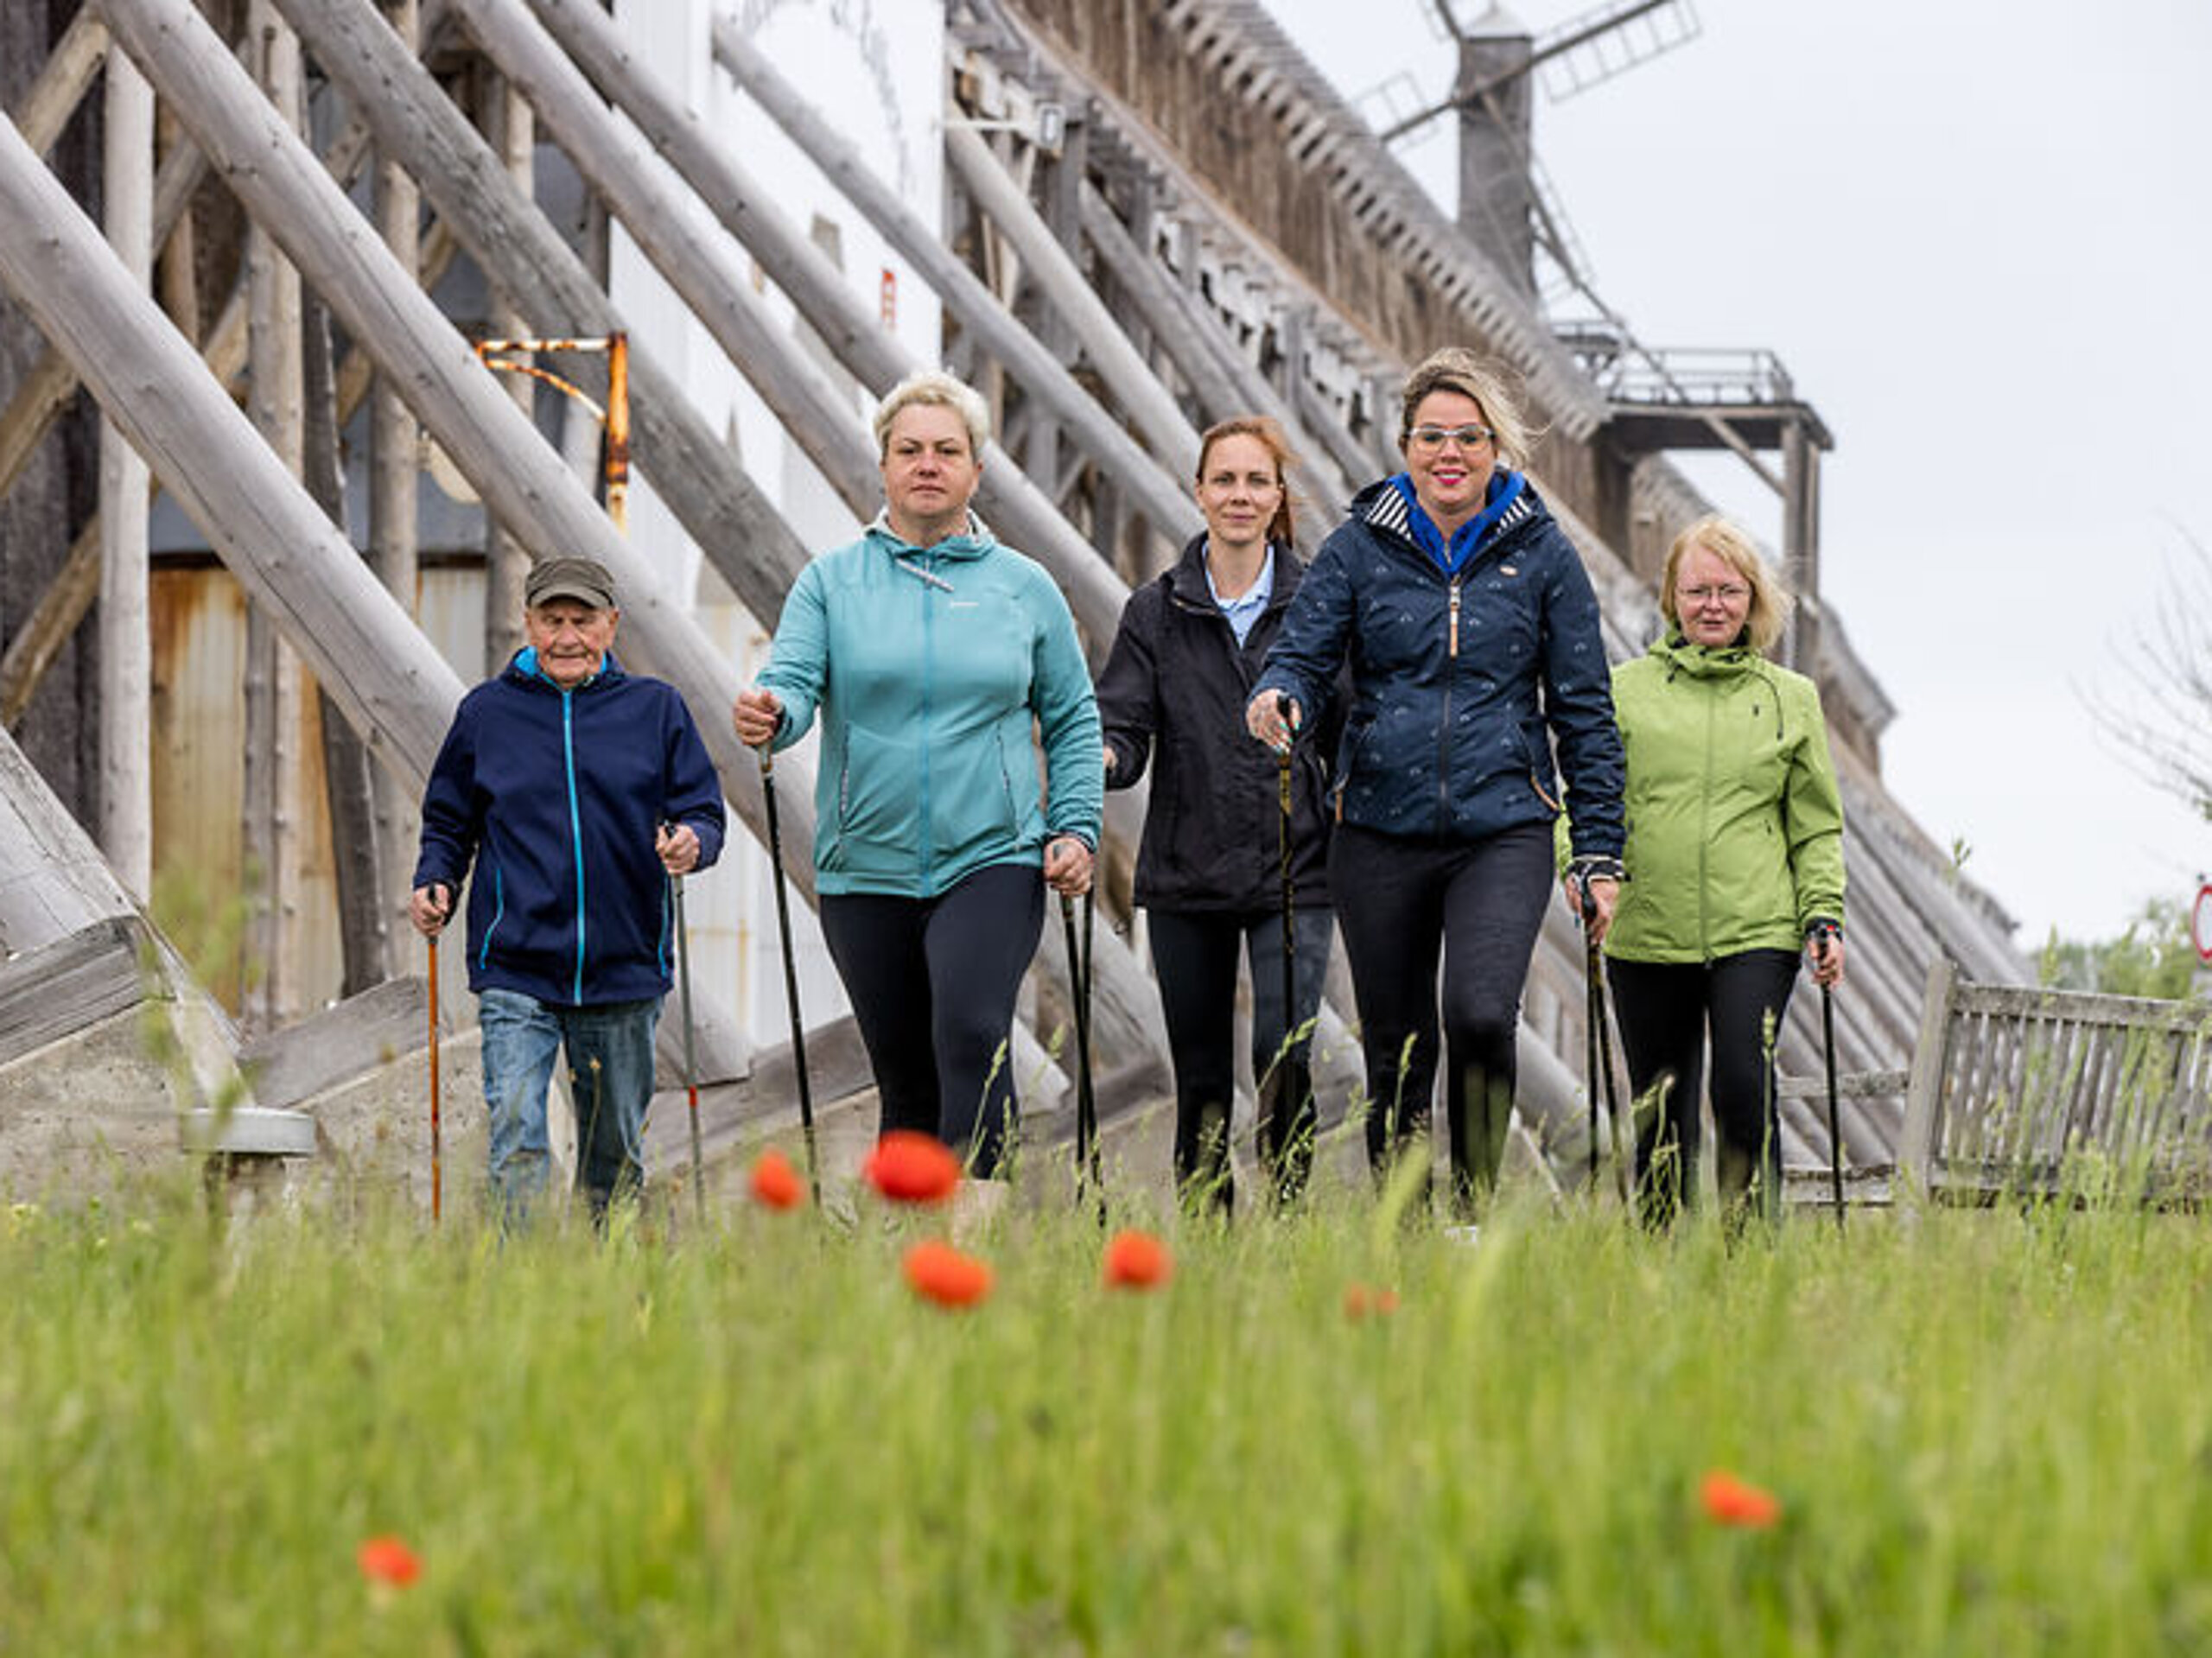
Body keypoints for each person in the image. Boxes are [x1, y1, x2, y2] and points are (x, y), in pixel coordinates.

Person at [1247, 346, 1626, 1216]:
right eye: (1430, 436)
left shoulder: (1544, 556)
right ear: (1405, 445)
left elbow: (1584, 712)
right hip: (1378, 824)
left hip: (1504, 825)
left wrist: (1599, 850)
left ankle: (1472, 1213)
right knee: (1397, 1045)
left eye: (1467, 436)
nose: (1448, 452)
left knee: (1482, 1013)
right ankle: (1406, 1221)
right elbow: (1303, 652)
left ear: (1496, 447)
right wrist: (1280, 693)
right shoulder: (1357, 547)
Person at [732, 370, 1101, 1182]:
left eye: (946, 450)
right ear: (884, 467)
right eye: (909, 450)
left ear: (977, 470)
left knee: (971, 1032)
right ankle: (911, 1241)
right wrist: (772, 712)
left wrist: (1075, 826)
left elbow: (1073, 717)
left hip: (993, 854)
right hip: (865, 862)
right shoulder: (831, 582)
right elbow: (791, 681)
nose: (927, 464)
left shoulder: (1024, 587)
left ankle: (977, 1229)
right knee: (903, 1075)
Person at [411, 556, 726, 1221]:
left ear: (611, 625)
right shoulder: (485, 714)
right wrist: (435, 879)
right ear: (528, 624)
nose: (567, 637)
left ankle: (606, 1276)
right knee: (517, 1137)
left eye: (582, 620)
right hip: (515, 966)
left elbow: (703, 810)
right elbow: (448, 821)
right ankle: (522, 1281)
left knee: (614, 1160)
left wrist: (692, 842)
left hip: (625, 967)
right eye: (552, 620)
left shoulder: (656, 710)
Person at [1571, 514, 1846, 1223]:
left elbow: (1815, 824)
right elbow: (1588, 795)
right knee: (1661, 1108)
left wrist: (1824, 913)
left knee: (1742, 1086)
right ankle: (1662, 1260)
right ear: (1671, 596)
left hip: (1756, 930)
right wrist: (1585, 867)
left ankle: (1751, 1254)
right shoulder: (1623, 692)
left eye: (1729, 591)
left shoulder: (1792, 698)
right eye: (1697, 591)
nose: (1713, 606)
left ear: (1753, 599)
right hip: (1648, 929)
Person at [1095, 416, 1338, 1210]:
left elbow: (1352, 723)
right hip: (1187, 869)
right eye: (1224, 480)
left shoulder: (1319, 604)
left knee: (1283, 1053)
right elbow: (1124, 723)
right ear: (1198, 492)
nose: (1240, 495)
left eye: (1256, 481)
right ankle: (1208, 1235)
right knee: (1199, 1077)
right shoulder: (1155, 610)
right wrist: (1105, 756)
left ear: (1277, 496)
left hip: (1295, 865)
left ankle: (1288, 1221)